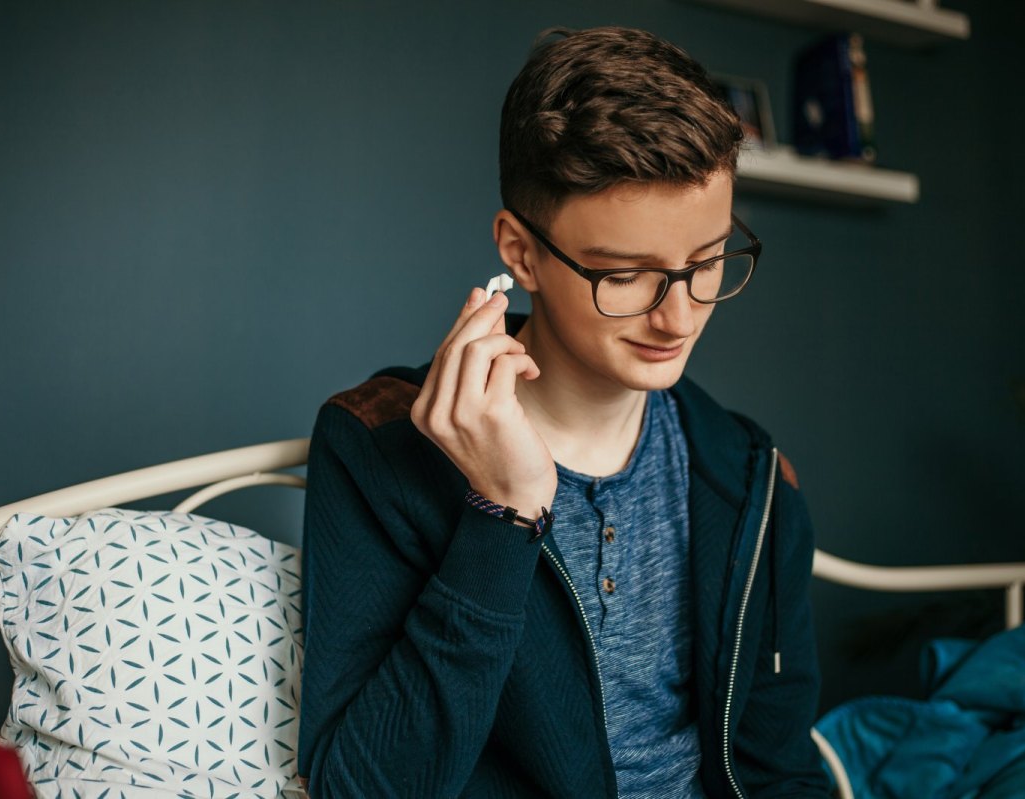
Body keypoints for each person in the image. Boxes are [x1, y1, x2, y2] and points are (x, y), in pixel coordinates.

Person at [297, 25, 830, 798]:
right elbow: (362, 788)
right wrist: (501, 515)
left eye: (707, 261)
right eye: (625, 276)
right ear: (520, 252)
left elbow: (781, 773)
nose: (679, 317)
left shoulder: (753, 479)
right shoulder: (376, 448)